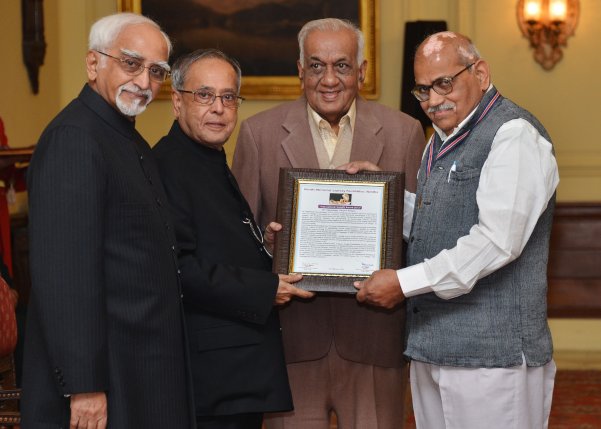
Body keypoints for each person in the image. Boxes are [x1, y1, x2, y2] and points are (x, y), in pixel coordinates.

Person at [355, 32, 559, 429]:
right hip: (432, 347)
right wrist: (384, 199)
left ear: (480, 73)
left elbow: (497, 240)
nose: (433, 100)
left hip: (492, 359)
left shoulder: (513, 134)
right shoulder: (441, 138)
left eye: (444, 83)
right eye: (423, 90)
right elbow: (437, 223)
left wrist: (403, 282)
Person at [232, 18, 425, 429]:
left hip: (375, 339)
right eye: (316, 66)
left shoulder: (405, 132)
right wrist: (267, 247)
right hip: (290, 342)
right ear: (301, 70)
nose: (329, 79)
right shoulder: (257, 134)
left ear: (362, 70)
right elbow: (235, 245)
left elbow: (423, 237)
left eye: (342, 65)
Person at [22, 13, 195, 428]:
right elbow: (66, 275)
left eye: (156, 71)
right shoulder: (74, 138)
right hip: (103, 380)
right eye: (131, 63)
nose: (144, 81)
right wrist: (84, 386)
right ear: (93, 64)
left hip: (138, 368)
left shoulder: (125, 136)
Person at [153, 49, 314, 429]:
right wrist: (264, 288)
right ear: (177, 102)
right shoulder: (169, 165)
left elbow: (214, 241)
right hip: (212, 376)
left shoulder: (207, 157)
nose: (219, 108)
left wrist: (264, 248)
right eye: (204, 95)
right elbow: (178, 267)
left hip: (233, 370)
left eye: (228, 97)